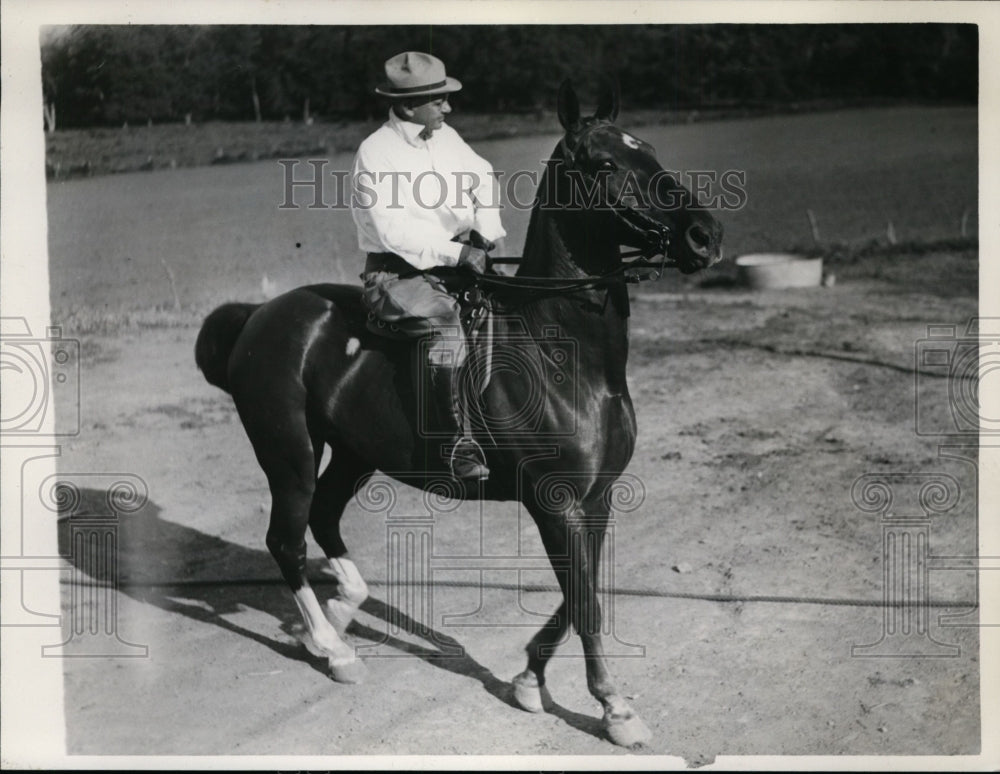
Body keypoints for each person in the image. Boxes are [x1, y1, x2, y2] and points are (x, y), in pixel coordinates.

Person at [351, 51, 507, 482]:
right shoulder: (375, 153)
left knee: (517, 302)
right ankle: (454, 442)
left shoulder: (446, 136)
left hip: (456, 262)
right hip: (396, 275)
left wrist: (485, 229)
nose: (448, 108)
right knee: (444, 326)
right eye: (439, 100)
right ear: (406, 106)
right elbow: (392, 232)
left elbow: (484, 177)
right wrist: (458, 254)